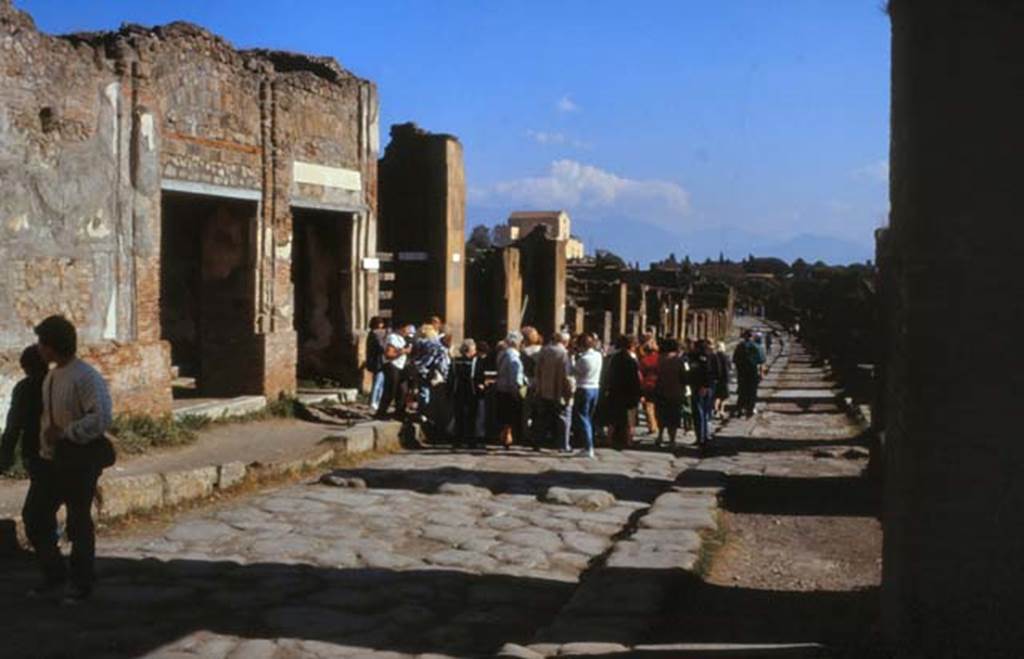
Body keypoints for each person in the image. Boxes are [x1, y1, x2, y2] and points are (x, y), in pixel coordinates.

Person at [26, 315, 113, 604]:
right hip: (52, 462)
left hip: (79, 461)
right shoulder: (52, 376)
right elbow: (47, 421)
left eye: (42, 342)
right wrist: (46, 451)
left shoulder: (86, 376)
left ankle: (81, 582)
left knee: (77, 522)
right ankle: (54, 574)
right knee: (35, 515)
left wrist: (66, 433)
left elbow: (100, 418)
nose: (39, 347)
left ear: (53, 346)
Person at [0, 346, 47, 476]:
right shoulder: (60, 383)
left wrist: (5, 456)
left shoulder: (24, 388)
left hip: (34, 447)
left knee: (40, 491)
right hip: (61, 448)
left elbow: (13, 425)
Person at [532, 331, 575, 451]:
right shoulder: (564, 354)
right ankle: (563, 444)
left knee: (543, 417)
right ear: (565, 342)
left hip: (545, 390)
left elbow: (537, 370)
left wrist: (539, 386)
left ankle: (537, 442)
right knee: (563, 419)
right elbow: (567, 375)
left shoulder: (544, 350)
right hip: (559, 391)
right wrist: (569, 391)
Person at [603, 335, 642, 450]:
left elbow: (609, 375)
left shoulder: (614, 358)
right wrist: (638, 393)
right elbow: (635, 378)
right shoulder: (631, 360)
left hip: (615, 391)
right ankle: (629, 440)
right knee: (630, 419)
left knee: (613, 418)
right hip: (628, 392)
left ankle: (609, 439)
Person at [571, 334, 602, 459]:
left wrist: (572, 358)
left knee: (583, 418)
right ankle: (588, 445)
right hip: (595, 388)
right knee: (589, 417)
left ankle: (588, 446)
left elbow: (573, 371)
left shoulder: (583, 359)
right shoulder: (598, 355)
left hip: (583, 388)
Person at [448, 339, 484, 448]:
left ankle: (457, 440)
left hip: (457, 391)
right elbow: (479, 377)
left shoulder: (455, 361)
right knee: (471, 417)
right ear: (470, 349)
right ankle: (470, 440)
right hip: (471, 391)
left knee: (459, 416)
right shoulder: (475, 362)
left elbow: (451, 377)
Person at [653, 338, 687, 449]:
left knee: (661, 415)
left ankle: (660, 436)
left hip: (660, 391)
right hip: (675, 392)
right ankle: (672, 440)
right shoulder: (679, 360)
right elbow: (684, 377)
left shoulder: (659, 359)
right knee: (673, 417)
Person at [495, 332, 526, 448]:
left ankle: (504, 434)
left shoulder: (502, 354)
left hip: (501, 387)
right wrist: (517, 388)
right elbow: (515, 374)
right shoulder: (513, 357)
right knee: (510, 414)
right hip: (510, 389)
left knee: (504, 414)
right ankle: (508, 436)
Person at [374, 326, 408, 419]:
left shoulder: (404, 339)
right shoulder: (393, 338)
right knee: (390, 389)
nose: (408, 331)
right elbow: (389, 354)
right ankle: (381, 412)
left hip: (401, 366)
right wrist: (403, 352)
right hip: (392, 365)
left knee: (402, 390)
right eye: (407, 328)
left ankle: (399, 412)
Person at [688, 339, 715, 449]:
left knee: (700, 413)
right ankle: (702, 436)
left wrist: (705, 386)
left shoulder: (703, 358)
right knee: (703, 413)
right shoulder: (707, 356)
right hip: (701, 387)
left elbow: (707, 373)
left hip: (701, 388)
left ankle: (702, 437)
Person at [732, 331, 764, 417]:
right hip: (753, 371)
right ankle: (750, 408)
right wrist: (761, 372)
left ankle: (740, 408)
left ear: (745, 337)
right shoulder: (757, 346)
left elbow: (735, 360)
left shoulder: (740, 346)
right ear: (752, 336)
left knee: (742, 390)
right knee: (752, 391)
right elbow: (761, 360)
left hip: (742, 371)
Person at [638, 335, 660, 437]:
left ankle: (652, 426)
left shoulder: (644, 360)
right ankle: (657, 424)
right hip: (659, 384)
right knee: (657, 406)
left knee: (648, 406)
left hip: (648, 385)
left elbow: (641, 374)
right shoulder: (660, 358)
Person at [365, 317, 388, 413]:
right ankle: (373, 402)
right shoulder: (375, 334)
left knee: (381, 382)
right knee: (378, 382)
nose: (382, 325)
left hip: (379, 361)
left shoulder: (374, 334)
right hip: (378, 361)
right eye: (380, 323)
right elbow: (381, 346)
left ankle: (377, 401)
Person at [713, 341, 731, 419]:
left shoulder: (714, 356)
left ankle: (716, 410)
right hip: (724, 379)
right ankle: (722, 410)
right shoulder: (726, 357)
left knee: (716, 396)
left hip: (716, 378)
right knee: (724, 396)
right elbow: (729, 367)